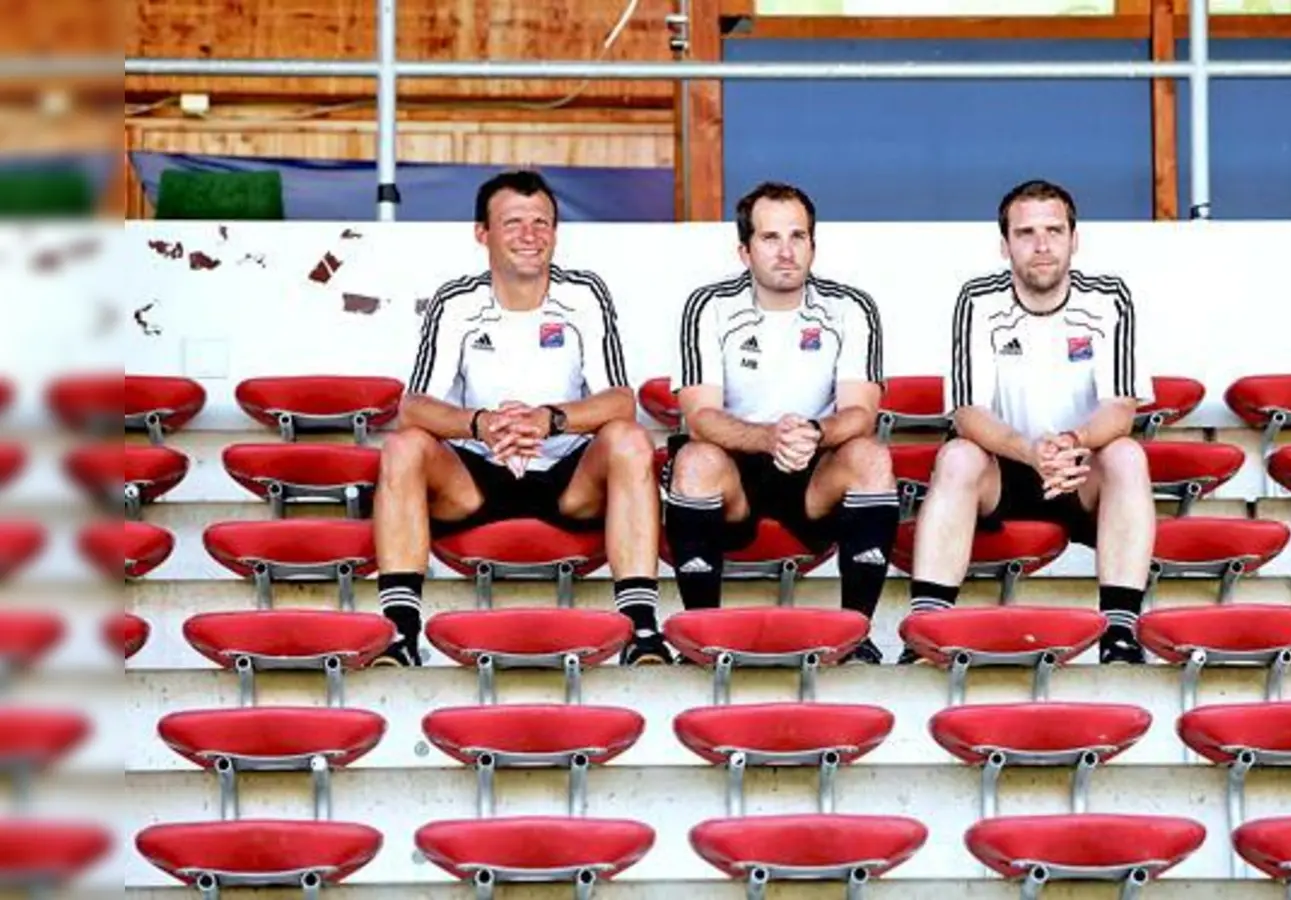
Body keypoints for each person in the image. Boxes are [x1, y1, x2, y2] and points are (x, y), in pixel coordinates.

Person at [372, 169, 672, 667]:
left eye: (542, 222)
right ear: (482, 233)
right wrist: (482, 424)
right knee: (403, 446)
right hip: (476, 477)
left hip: (566, 476)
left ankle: (641, 628)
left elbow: (620, 400)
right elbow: (414, 406)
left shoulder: (585, 294)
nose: (530, 236)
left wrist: (549, 420)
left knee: (629, 439)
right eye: (513, 223)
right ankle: (400, 635)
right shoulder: (455, 301)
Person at [906, 179, 1156, 664]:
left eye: (1054, 231)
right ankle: (928, 631)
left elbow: (1120, 408)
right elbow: (967, 412)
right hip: (1006, 466)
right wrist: (1029, 451)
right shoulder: (977, 300)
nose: (1042, 246)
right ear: (1005, 245)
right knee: (957, 455)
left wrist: (1071, 441)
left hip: (1080, 469)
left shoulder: (1109, 298)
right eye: (1026, 233)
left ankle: (1120, 632)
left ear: (1074, 238)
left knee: (1126, 454)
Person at [663, 181, 900, 664]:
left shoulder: (851, 307)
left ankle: (856, 635)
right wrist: (768, 438)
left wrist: (814, 434)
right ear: (744, 250)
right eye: (771, 238)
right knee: (694, 459)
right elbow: (701, 415)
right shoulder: (707, 306)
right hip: (735, 468)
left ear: (814, 244)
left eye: (799, 237)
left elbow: (860, 411)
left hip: (814, 465)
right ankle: (700, 638)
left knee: (871, 455)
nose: (787, 252)